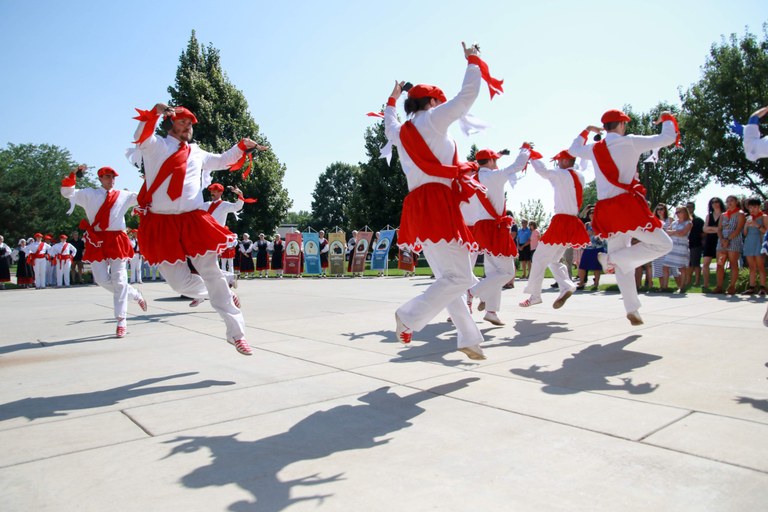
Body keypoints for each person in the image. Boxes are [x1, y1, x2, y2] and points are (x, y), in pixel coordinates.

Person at [384, 41, 493, 360]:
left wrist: (392, 97)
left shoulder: (401, 132)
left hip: (418, 205)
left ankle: (468, 336)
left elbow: (389, 122)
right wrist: (473, 60)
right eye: (438, 102)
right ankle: (409, 316)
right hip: (437, 203)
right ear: (431, 102)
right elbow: (467, 96)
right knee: (460, 278)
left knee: (450, 278)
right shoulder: (433, 119)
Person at [131, 103, 262, 355]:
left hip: (192, 220)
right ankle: (217, 291)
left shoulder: (197, 152)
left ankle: (237, 333)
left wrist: (241, 146)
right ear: (170, 124)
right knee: (179, 284)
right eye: (182, 122)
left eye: (190, 123)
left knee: (210, 271)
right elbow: (140, 135)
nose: (188, 127)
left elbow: (222, 160)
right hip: (162, 222)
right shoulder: (155, 146)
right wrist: (155, 112)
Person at [568, 108, 678, 325]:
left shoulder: (594, 149)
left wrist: (586, 131)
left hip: (606, 211)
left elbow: (573, 149)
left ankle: (632, 308)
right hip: (626, 207)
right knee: (664, 244)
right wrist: (666, 117)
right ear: (621, 124)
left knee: (623, 258)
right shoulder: (631, 142)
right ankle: (611, 260)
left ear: (605, 127)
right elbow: (668, 138)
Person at [60, 166, 147, 337]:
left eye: (113, 177)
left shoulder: (123, 195)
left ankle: (121, 320)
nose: (111, 180)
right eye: (107, 177)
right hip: (97, 239)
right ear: (100, 178)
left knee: (120, 280)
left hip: (116, 239)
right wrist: (72, 175)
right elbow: (67, 193)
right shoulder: (89, 194)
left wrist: (148, 181)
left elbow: (144, 197)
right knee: (101, 279)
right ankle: (135, 294)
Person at [460, 147, 530, 325]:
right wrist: (525, 149)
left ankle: (491, 311)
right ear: (490, 161)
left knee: (493, 272)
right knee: (507, 272)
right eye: (495, 160)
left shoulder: (474, 179)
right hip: (494, 227)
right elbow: (517, 165)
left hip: (481, 227)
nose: (497, 163)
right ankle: (473, 292)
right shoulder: (495, 176)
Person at [521, 150, 590, 308]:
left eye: (559, 160)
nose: (557, 163)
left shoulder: (562, 174)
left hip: (561, 221)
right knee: (553, 260)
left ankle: (535, 295)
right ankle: (566, 285)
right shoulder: (579, 175)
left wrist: (532, 156)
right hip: (572, 222)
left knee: (538, 258)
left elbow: (543, 171)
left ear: (565, 161)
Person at [202, 183, 246, 280]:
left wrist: (240, 195)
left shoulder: (224, 205)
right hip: (205, 236)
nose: (212, 193)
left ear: (220, 193)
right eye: (211, 191)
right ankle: (228, 277)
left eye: (215, 191)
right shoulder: (206, 205)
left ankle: (226, 278)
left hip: (215, 236)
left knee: (210, 260)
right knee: (206, 261)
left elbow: (237, 207)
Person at [714, 195, 746, 295]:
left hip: (734, 241)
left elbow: (738, 229)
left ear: (736, 202)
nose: (729, 203)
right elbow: (719, 229)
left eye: (731, 200)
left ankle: (732, 287)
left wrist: (728, 239)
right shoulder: (723, 215)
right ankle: (719, 286)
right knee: (720, 264)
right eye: (727, 201)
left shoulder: (740, 214)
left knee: (733, 264)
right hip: (722, 243)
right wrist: (722, 239)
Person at [661, 206, 693, 292]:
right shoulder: (674, 223)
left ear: (684, 212)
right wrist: (676, 232)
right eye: (676, 212)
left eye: (679, 212)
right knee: (665, 266)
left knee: (681, 268)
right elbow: (667, 232)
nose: (677, 214)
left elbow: (683, 233)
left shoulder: (688, 223)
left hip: (681, 248)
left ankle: (681, 287)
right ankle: (664, 286)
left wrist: (673, 232)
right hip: (672, 247)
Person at [742, 197, 766, 295]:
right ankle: (751, 287)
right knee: (752, 266)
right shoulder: (748, 218)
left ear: (759, 206)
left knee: (760, 266)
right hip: (749, 242)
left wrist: (757, 225)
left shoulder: (764, 217)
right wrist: (746, 225)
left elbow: (766, 231)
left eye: (755, 207)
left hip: (759, 242)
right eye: (750, 207)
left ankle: (763, 287)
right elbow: (744, 233)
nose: (752, 209)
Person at [701, 197, 724, 289]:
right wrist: (716, 229)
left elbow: (722, 229)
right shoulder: (708, 216)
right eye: (712, 202)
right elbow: (704, 229)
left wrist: (711, 229)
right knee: (705, 263)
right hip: (709, 241)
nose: (715, 204)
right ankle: (705, 284)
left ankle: (719, 285)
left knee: (720, 263)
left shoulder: (724, 215)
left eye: (717, 202)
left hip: (720, 240)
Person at [577, 222, 605, 290]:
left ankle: (596, 284)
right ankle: (581, 282)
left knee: (597, 267)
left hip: (598, 248)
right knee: (582, 266)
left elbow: (602, 233)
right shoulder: (587, 224)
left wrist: (594, 232)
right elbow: (582, 233)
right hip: (588, 248)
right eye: (590, 215)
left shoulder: (599, 223)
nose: (592, 216)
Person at [686, 201, 704, 287]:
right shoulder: (684, 220)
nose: (688, 208)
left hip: (696, 244)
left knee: (696, 264)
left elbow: (703, 233)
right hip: (685, 244)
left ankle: (697, 281)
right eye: (687, 207)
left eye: (690, 207)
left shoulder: (698, 220)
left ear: (694, 208)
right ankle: (688, 281)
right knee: (688, 264)